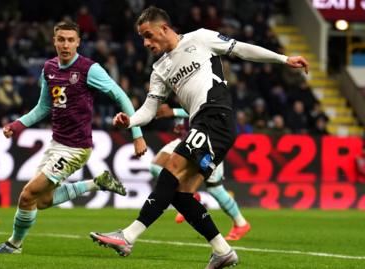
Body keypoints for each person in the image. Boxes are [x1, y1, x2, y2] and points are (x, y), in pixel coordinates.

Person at [90, 6, 308, 269]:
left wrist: (283, 59)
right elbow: (149, 108)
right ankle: (222, 251)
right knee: (181, 195)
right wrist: (130, 121)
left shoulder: (200, 38)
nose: (146, 43)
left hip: (215, 116)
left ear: (164, 29)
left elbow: (241, 48)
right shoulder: (159, 68)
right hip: (204, 123)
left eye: (148, 35)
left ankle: (128, 236)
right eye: (142, 38)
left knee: (169, 169)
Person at [0, 21, 147, 254]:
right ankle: (97, 183)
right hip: (56, 144)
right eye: (61, 39)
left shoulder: (89, 69)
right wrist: (17, 125)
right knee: (39, 201)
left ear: (78, 42)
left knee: (27, 194)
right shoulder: (49, 68)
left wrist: (137, 134)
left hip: (76, 147)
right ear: (54, 41)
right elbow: (43, 108)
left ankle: (13, 245)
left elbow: (121, 96)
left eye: (71, 40)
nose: (66, 44)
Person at [152, 104, 250, 241]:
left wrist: (173, 112)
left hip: (209, 142)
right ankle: (189, 195)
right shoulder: (182, 87)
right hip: (189, 139)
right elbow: (187, 106)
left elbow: (200, 109)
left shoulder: (208, 89)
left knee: (215, 188)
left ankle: (241, 223)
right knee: (156, 165)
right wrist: (179, 122)